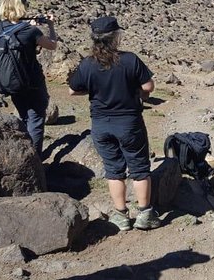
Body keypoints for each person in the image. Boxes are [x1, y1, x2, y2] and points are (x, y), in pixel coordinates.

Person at [68, 16, 160, 231]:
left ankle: (120, 216)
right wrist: (136, 91)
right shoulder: (130, 60)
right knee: (139, 167)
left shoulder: (87, 64)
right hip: (129, 122)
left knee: (113, 169)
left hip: (101, 124)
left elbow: (72, 90)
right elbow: (148, 86)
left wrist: (92, 89)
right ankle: (145, 214)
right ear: (116, 36)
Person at [0, 0, 58, 157]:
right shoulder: (30, 31)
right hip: (32, 83)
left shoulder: (0, 27)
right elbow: (52, 45)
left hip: (13, 82)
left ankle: (22, 155)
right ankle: (34, 162)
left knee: (24, 117)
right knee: (36, 120)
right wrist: (50, 26)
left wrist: (29, 26)